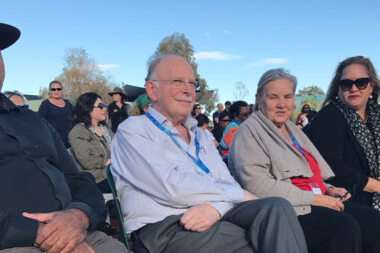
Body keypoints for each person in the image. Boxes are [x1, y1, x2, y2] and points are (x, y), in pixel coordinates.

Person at [111, 54, 307, 253]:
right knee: (262, 241)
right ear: (152, 90)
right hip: (165, 226)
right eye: (177, 81)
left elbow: (225, 181)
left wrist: (216, 209)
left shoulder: (201, 135)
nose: (188, 90)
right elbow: (173, 187)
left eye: (191, 83)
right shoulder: (134, 130)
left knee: (278, 207)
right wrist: (239, 195)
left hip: (216, 214)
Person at [0, 23, 126, 252]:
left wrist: (78, 216)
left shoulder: (33, 121)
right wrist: (42, 233)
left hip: (81, 231)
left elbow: (79, 180)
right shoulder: (52, 115)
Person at [229, 68, 380, 253]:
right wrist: (316, 199)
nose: (282, 104)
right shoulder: (248, 132)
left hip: (313, 199)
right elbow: (258, 186)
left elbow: (307, 175)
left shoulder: (292, 130)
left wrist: (328, 189)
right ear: (259, 99)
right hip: (289, 210)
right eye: (273, 97)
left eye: (288, 96)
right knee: (343, 228)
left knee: (375, 222)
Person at [306, 56, 380, 210]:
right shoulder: (329, 116)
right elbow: (331, 165)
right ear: (338, 88)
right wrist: (375, 186)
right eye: (346, 84)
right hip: (345, 198)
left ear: (371, 86)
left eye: (361, 83)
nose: (354, 88)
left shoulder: (376, 114)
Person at [68, 92, 113, 193]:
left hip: (112, 174)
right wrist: (109, 162)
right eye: (100, 106)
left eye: (104, 105)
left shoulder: (106, 130)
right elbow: (87, 161)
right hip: (95, 180)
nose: (104, 109)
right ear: (88, 108)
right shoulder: (78, 131)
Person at [38, 80, 73, 148]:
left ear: (62, 90)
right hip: (55, 140)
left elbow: (75, 117)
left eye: (59, 89)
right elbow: (40, 122)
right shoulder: (45, 104)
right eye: (53, 89)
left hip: (70, 139)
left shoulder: (68, 103)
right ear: (50, 91)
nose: (56, 91)